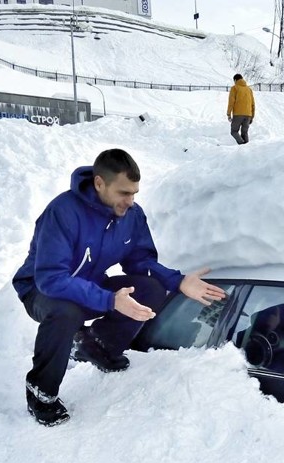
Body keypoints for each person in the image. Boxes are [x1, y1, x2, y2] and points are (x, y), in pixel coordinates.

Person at [13, 148, 227, 427]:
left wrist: (178, 280)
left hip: (90, 284)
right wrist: (110, 300)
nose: (131, 201)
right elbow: (51, 278)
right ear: (99, 183)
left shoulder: (131, 215)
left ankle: (98, 346)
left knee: (150, 288)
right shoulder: (62, 212)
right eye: (124, 193)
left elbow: (140, 259)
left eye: (135, 193)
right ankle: (41, 393)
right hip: (41, 290)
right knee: (67, 313)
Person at [227, 73, 255, 145]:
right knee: (244, 132)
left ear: (235, 80)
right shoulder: (249, 90)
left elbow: (231, 102)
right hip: (248, 115)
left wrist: (228, 114)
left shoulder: (234, 88)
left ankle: (242, 144)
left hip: (238, 114)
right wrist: (252, 116)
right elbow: (253, 104)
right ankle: (246, 148)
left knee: (234, 131)